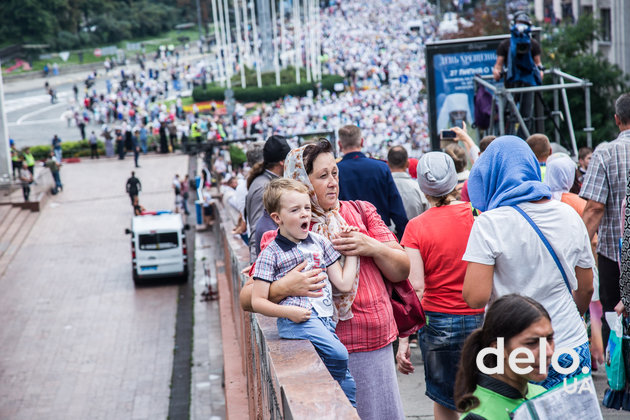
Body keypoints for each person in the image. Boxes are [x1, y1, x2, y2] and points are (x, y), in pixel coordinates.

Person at [241, 139, 410, 420]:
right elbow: (248, 298)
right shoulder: (284, 233)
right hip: (324, 349)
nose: (333, 182)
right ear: (301, 182)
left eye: (335, 173)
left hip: (374, 344)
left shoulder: (360, 212)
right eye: (322, 176)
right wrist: (284, 288)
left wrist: (371, 246)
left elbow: (402, 269)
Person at [462, 136, 595, 389]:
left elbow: (475, 298)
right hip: (569, 342)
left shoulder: (489, 223)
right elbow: (586, 287)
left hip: (515, 352)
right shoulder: (568, 213)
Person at [251, 178, 359, 406]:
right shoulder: (271, 253)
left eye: (307, 208)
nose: (304, 214)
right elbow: (257, 301)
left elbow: (343, 283)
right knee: (339, 355)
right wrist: (288, 312)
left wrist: (353, 250)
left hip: (325, 320)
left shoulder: (319, 242)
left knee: (348, 384)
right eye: (295, 210)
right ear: (277, 218)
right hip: (299, 321)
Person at [397, 152, 484, 420]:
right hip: (480, 317)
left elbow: (416, 288)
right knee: (481, 396)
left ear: (423, 187)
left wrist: (403, 340)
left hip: (437, 322)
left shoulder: (415, 227)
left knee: (444, 399)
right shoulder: (477, 214)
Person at [580, 93, 630, 346]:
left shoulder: (606, 153)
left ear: (617, 119)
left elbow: (594, 208)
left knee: (616, 322)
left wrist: (576, 248)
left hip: (616, 258)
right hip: (615, 255)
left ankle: (621, 381)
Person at [454, 295, 552, 419]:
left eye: (549, 339)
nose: (548, 352)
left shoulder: (542, 394)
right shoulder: (479, 416)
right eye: (531, 343)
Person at [337, 125, 408, 238]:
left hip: (350, 236)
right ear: (362, 142)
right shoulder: (381, 167)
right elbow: (396, 207)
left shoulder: (336, 171)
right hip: (381, 235)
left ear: (340, 144)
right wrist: (403, 237)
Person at [492, 12, 544, 136]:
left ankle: (523, 138)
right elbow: (498, 64)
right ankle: (506, 137)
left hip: (528, 81)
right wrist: (497, 71)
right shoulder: (505, 45)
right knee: (507, 113)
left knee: (526, 114)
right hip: (511, 82)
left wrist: (540, 73)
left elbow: (538, 64)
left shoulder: (533, 44)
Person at [245, 135, 291, 262]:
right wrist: (255, 269)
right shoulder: (264, 187)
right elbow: (257, 230)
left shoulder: (266, 181)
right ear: (283, 161)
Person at [387, 146, 429, 219]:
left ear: (388, 164)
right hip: (416, 229)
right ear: (408, 164)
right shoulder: (420, 188)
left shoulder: (381, 188)